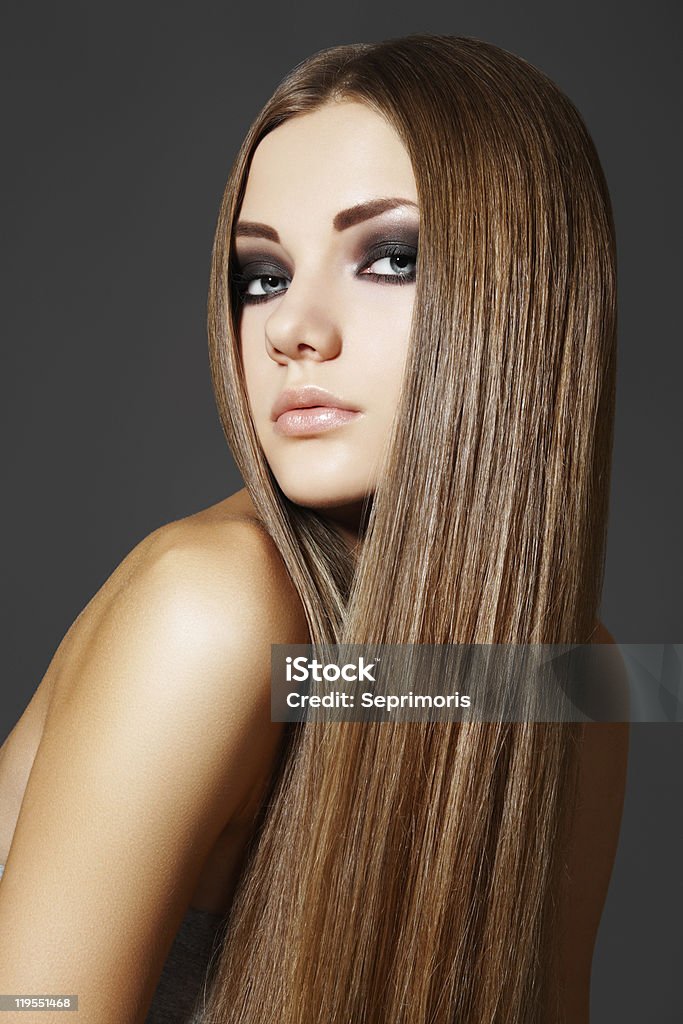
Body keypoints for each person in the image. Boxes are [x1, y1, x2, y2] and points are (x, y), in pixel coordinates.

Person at [0, 33, 629, 1024]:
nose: (293, 326)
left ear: (522, 298)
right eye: (261, 274)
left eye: (388, 256)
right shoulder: (210, 607)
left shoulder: (565, 675)